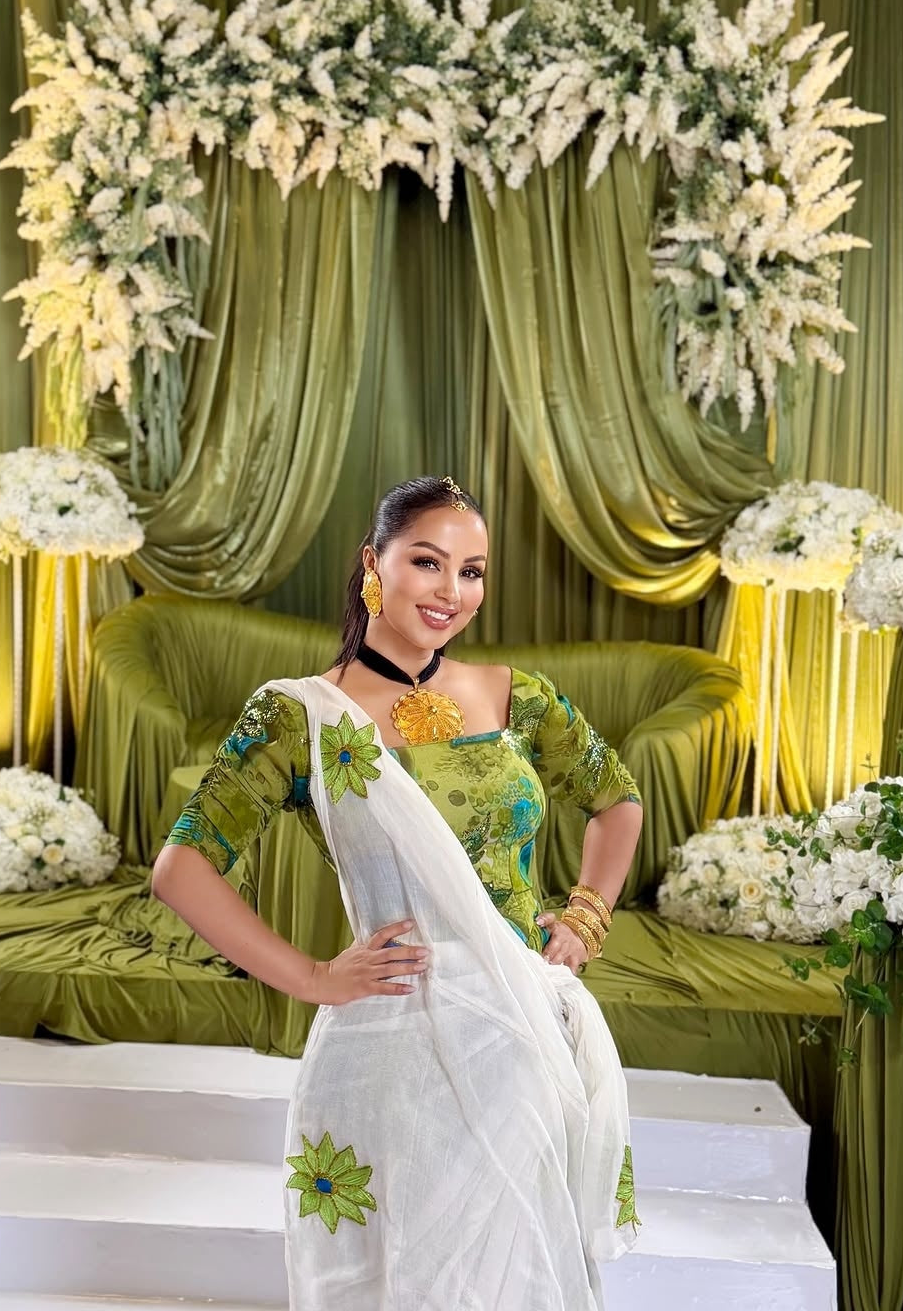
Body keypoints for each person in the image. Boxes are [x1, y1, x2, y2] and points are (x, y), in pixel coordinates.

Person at [152, 475, 644, 1311]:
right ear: (372, 563)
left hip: (526, 1036)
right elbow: (182, 869)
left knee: (519, 1275)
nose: (453, 592)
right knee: (410, 1279)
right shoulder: (300, 717)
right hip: (399, 1039)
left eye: (473, 571)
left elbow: (616, 801)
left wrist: (586, 918)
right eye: (428, 561)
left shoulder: (510, 694)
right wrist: (312, 978)